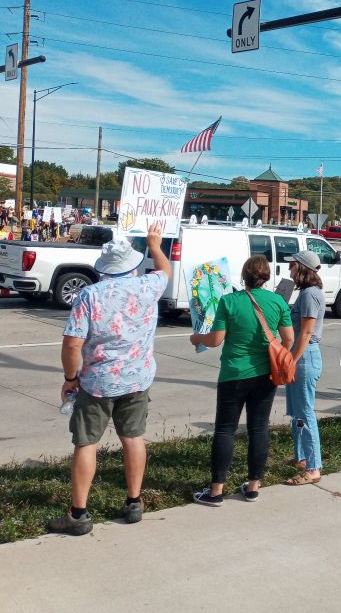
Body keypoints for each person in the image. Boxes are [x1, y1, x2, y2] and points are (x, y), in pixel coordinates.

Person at [49, 226, 170, 535]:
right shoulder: (148, 287)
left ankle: (78, 514)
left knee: (86, 442)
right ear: (132, 264)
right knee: (133, 437)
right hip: (137, 378)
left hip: (97, 382)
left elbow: (72, 344)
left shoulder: (89, 295)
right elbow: (165, 269)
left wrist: (70, 378)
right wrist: (155, 245)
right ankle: (133, 502)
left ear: (104, 268)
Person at [191, 255, 293, 506]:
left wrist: (197, 339)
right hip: (265, 376)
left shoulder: (229, 301)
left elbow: (215, 340)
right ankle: (253, 487)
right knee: (258, 428)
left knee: (225, 429)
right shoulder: (278, 301)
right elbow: (288, 339)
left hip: (234, 374)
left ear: (244, 276)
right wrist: (274, 352)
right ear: (266, 276)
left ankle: (216, 491)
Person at [284, 250, 326, 486]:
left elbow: (307, 332)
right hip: (300, 356)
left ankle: (313, 466)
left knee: (306, 412)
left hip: (305, 357)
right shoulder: (308, 293)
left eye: (293, 266)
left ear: (302, 268)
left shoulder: (310, 294)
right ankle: (302, 457)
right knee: (297, 412)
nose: (290, 270)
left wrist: (292, 359)